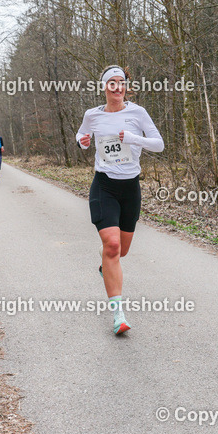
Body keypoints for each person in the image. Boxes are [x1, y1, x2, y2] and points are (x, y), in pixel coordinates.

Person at [76, 65, 164, 335]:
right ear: (104, 87)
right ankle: (119, 315)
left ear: (127, 86)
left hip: (130, 188)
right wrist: (84, 142)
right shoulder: (93, 115)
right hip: (104, 186)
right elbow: (80, 135)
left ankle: (106, 266)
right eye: (112, 83)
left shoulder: (137, 113)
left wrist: (134, 138)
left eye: (121, 83)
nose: (117, 87)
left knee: (121, 251)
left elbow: (158, 144)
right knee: (112, 246)